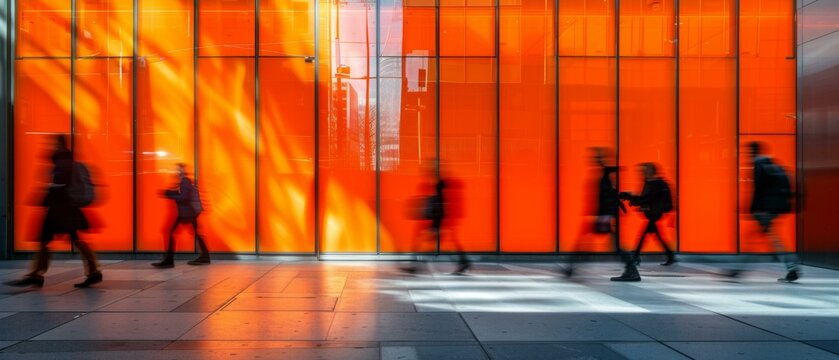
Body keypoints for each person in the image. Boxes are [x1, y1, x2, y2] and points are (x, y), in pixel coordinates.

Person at [4, 135, 102, 288]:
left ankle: (37, 274)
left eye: (52, 143)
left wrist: (45, 195)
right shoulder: (63, 161)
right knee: (70, 239)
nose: (49, 146)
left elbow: (58, 184)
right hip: (65, 208)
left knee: (50, 240)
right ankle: (93, 271)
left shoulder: (62, 162)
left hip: (60, 208)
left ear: (59, 145)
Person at [562, 148, 632, 278]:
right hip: (600, 215)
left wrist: (606, 216)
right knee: (587, 242)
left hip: (603, 216)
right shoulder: (604, 174)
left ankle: (631, 267)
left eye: (597, 157)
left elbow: (609, 197)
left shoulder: (606, 175)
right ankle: (572, 268)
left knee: (606, 244)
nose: (593, 160)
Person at [403, 161, 471, 275]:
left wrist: (437, 221)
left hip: (441, 219)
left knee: (428, 241)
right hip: (441, 219)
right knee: (440, 242)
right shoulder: (439, 184)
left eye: (430, 170)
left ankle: (414, 266)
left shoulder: (441, 184)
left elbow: (442, 202)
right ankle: (463, 262)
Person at [613, 163, 675, 281]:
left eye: (644, 171)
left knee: (643, 236)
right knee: (654, 235)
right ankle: (670, 256)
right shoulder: (648, 182)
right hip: (651, 212)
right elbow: (644, 198)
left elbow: (647, 198)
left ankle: (635, 257)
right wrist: (634, 200)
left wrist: (631, 198)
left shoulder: (655, 184)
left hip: (655, 213)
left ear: (650, 171)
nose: (642, 173)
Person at [749, 141, 800, 282]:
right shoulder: (771, 164)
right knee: (772, 239)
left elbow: (758, 189)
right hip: (775, 207)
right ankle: (792, 267)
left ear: (753, 152)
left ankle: (792, 267)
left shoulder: (759, 165)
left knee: (767, 239)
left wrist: (753, 209)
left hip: (765, 210)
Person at [152, 163, 210, 268]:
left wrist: (169, 194)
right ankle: (205, 256)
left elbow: (184, 197)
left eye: (177, 170)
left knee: (170, 233)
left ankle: (169, 260)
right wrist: (170, 192)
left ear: (181, 171)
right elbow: (182, 194)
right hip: (189, 213)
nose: (175, 171)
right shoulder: (183, 181)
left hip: (186, 213)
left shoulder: (185, 181)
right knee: (196, 233)